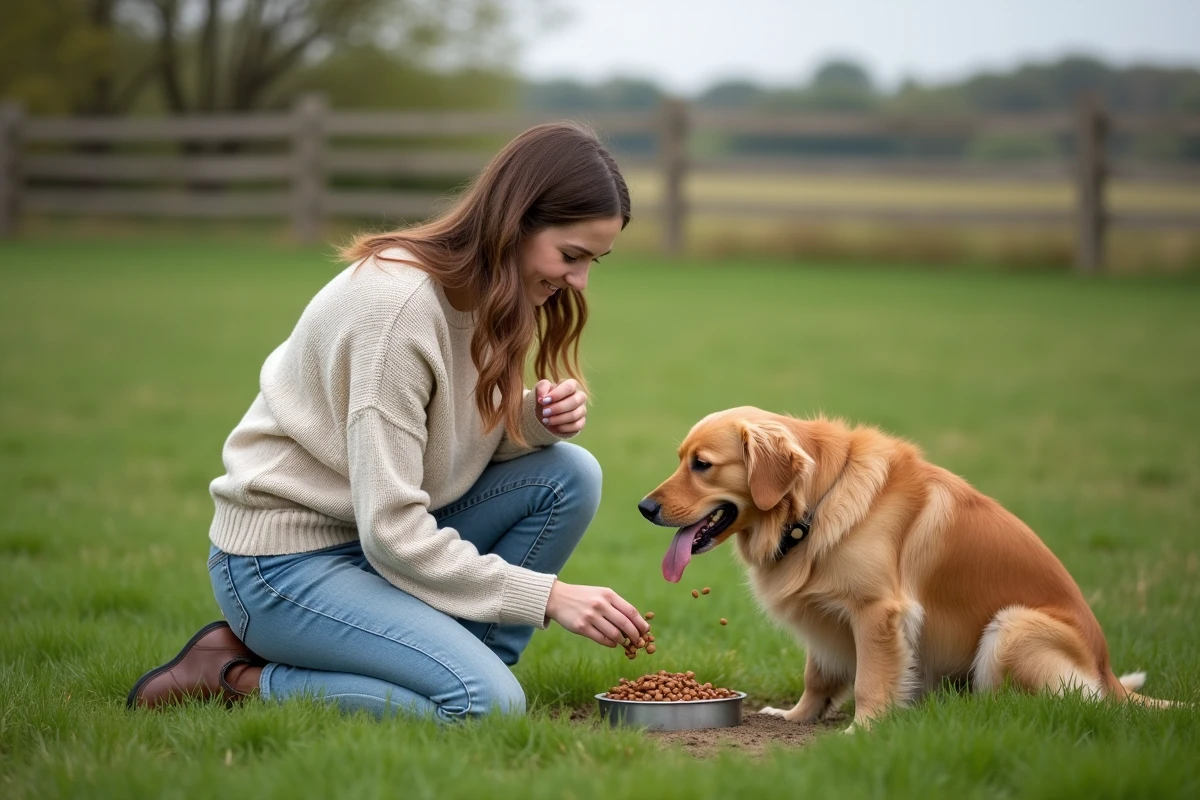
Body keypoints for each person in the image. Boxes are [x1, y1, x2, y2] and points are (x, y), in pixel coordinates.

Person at [127, 122, 649, 721]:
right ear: (517, 222)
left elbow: (435, 445)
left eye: (594, 262)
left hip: (369, 540)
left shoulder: (497, 291)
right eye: (571, 256)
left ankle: (460, 667)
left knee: (568, 473)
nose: (578, 281)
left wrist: (530, 420)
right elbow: (393, 531)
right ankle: (232, 676)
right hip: (285, 566)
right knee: (488, 708)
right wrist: (548, 597)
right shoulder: (396, 311)